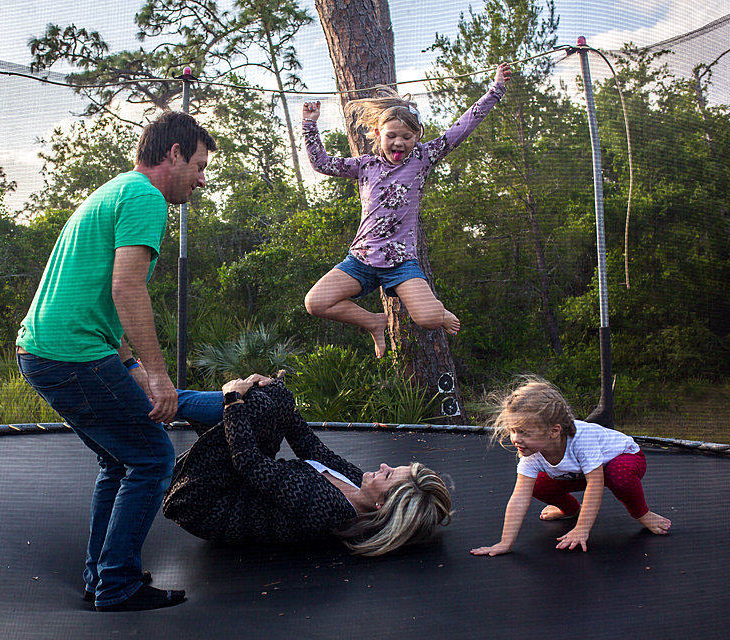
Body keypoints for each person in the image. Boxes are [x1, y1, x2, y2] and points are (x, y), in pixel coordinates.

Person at [16, 111, 216, 612]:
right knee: (152, 457)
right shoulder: (148, 198)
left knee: (119, 459)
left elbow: (98, 299)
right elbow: (126, 289)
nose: (201, 178)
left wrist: (128, 365)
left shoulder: (115, 190)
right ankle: (118, 583)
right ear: (173, 154)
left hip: (46, 351)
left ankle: (101, 576)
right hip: (72, 355)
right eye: (198, 164)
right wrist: (158, 375)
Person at [301, 63, 512, 357]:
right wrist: (310, 124)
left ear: (417, 137)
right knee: (316, 302)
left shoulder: (422, 159)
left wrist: (495, 91)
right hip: (362, 259)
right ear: (378, 133)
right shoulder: (365, 165)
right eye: (391, 136)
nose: (399, 142)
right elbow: (322, 164)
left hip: (401, 262)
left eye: (407, 137)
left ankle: (438, 311)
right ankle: (374, 322)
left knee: (427, 319)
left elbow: (462, 128)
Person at [163, 374, 452, 556]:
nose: (384, 465)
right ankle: (166, 399)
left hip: (202, 502)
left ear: (382, 506)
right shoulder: (355, 484)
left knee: (256, 405)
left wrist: (232, 399)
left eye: (388, 476)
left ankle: (155, 397)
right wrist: (277, 389)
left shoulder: (325, 510)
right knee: (272, 397)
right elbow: (308, 444)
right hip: (234, 481)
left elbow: (249, 463)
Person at [470, 378, 671, 557]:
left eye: (524, 433)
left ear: (554, 431)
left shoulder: (582, 440)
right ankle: (569, 509)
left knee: (618, 476)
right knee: (537, 485)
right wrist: (505, 542)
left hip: (624, 459)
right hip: (579, 471)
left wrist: (582, 528)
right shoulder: (531, 452)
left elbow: (595, 483)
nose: (515, 439)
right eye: (513, 431)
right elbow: (520, 496)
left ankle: (642, 513)